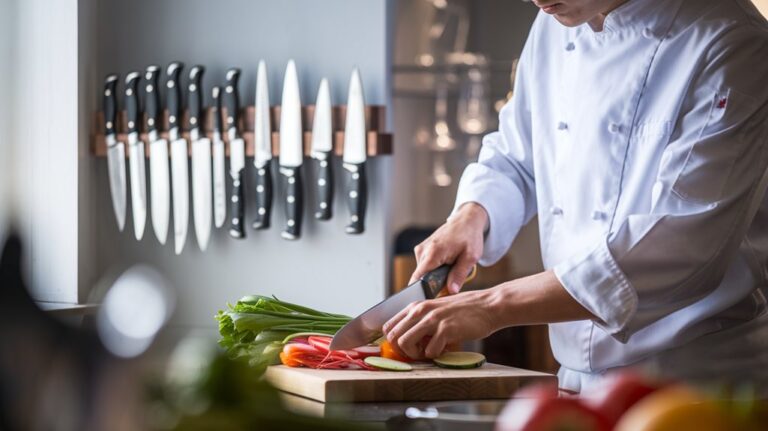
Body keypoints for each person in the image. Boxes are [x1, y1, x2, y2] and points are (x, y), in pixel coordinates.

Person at [383, 0, 768, 393]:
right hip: (574, 381)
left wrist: (492, 307)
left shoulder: (733, 42)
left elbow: (681, 247)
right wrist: (472, 215)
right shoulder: (556, 19)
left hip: (695, 383)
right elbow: (520, 153)